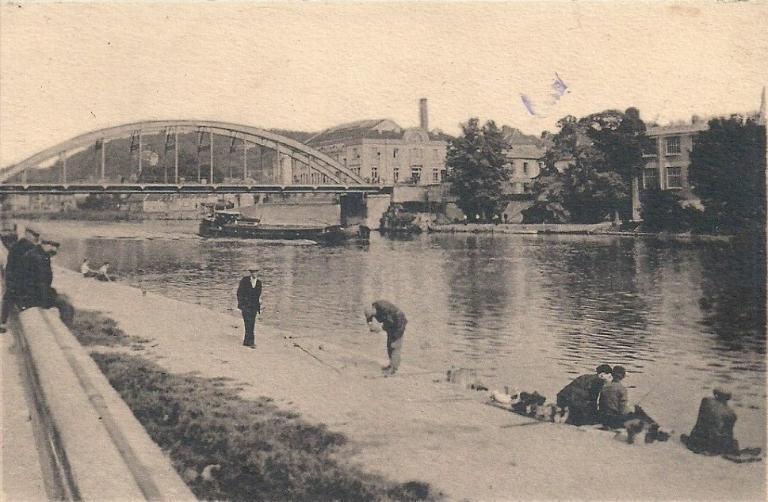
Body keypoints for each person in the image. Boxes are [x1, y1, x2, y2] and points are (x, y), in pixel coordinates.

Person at [0, 227, 40, 333]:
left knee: (8, 298)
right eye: (34, 235)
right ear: (27, 233)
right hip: (19, 280)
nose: (36, 237)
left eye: (37, 236)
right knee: (16, 299)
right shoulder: (29, 247)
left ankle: (3, 322)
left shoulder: (19, 245)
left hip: (13, 278)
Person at [681, 388, 739, 455]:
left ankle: (697, 442)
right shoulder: (731, 413)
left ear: (716, 395)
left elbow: (700, 420)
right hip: (718, 445)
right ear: (728, 399)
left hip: (700, 440)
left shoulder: (706, 401)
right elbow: (729, 432)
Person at [364, 300, 407, 375]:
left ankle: (393, 369)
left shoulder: (384, 309)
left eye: (373, 314)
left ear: (374, 309)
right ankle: (391, 365)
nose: (373, 316)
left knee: (394, 345)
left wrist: (379, 328)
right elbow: (369, 318)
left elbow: (390, 322)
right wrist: (370, 325)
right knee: (389, 345)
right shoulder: (372, 308)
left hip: (398, 323)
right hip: (390, 324)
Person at [16, 239, 60, 311]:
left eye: (57, 246)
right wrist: (46, 303)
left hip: (30, 294)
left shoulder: (39, 254)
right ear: (45, 244)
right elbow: (41, 282)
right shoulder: (38, 258)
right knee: (64, 304)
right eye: (53, 245)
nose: (55, 250)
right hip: (31, 297)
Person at [236, 265, 262, 348]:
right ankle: (250, 342)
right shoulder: (244, 281)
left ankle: (248, 341)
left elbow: (258, 295)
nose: (254, 274)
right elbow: (239, 293)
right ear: (250, 273)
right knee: (247, 323)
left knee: (252, 323)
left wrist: (259, 305)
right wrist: (241, 304)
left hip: (254, 307)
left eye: (256, 272)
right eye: (253, 272)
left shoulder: (259, 283)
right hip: (246, 306)